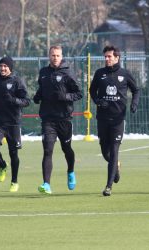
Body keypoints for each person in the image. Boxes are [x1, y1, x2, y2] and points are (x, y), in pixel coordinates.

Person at [90, 45, 140, 196]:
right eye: (105, 56)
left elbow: (136, 90)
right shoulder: (100, 74)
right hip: (102, 119)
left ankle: (108, 186)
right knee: (105, 152)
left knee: (114, 150)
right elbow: (92, 91)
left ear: (117, 57)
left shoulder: (125, 74)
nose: (107, 59)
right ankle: (116, 167)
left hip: (118, 119)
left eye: (109, 56)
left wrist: (134, 103)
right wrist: (98, 101)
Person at [33, 45, 83, 194]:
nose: (55, 58)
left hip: (64, 119)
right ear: (49, 56)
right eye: (53, 55)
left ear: (62, 57)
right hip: (48, 119)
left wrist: (66, 97)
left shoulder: (68, 73)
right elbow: (42, 89)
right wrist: (37, 96)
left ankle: (71, 171)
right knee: (47, 150)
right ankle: (46, 184)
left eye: (58, 55)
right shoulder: (43, 72)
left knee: (66, 149)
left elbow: (79, 93)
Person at [0, 56, 30, 192]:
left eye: (5, 66)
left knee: (14, 154)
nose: (3, 68)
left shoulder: (17, 81)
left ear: (10, 68)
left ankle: (14, 181)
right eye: (1, 65)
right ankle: (2, 165)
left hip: (13, 123)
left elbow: (26, 101)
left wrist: (13, 100)